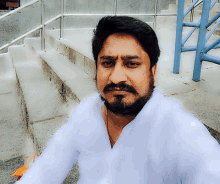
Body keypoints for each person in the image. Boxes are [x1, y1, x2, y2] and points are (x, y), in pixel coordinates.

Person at [14, 16, 220, 183]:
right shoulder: (86, 112)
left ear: (153, 72)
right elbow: (46, 168)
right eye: (108, 63)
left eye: (131, 64)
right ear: (96, 69)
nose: (116, 77)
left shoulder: (182, 132)